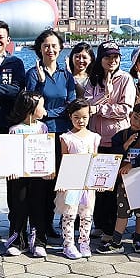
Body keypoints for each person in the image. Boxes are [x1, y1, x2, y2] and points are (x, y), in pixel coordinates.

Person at [25, 28, 76, 237]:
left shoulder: (67, 75)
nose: (50, 50)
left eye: (54, 46)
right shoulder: (33, 74)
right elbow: (31, 104)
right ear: (40, 49)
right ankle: (38, 225)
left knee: (57, 182)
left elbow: (71, 105)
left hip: (62, 134)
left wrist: (48, 112)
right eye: (46, 46)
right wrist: (41, 83)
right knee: (39, 182)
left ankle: (50, 223)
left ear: (61, 49)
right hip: (40, 135)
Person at [85, 40, 135, 241]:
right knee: (98, 184)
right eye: (108, 57)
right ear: (100, 59)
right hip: (96, 140)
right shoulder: (93, 79)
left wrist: (101, 108)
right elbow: (86, 105)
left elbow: (126, 109)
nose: (112, 60)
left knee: (114, 186)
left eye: (116, 57)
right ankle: (98, 224)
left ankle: (111, 228)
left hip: (117, 139)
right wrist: (104, 95)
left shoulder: (126, 79)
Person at [96, 102, 140, 254]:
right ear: (130, 115)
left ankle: (139, 239)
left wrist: (132, 164)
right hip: (124, 182)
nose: (137, 123)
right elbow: (114, 155)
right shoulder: (120, 135)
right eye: (135, 118)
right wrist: (126, 145)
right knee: (122, 210)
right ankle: (116, 242)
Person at [5, 90, 50, 257]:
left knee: (38, 206)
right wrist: (11, 169)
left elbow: (47, 151)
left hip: (38, 175)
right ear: (31, 109)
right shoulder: (15, 130)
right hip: (19, 177)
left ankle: (38, 241)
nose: (44, 110)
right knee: (19, 206)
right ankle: (17, 240)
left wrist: (49, 170)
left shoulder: (43, 128)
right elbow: (10, 153)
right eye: (42, 106)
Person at [56, 99, 100, 259]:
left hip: (87, 183)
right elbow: (64, 161)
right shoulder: (66, 138)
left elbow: (95, 160)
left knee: (87, 213)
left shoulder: (94, 137)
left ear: (89, 116)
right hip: (72, 183)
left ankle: (84, 242)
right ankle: (68, 244)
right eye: (76, 117)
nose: (80, 121)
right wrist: (63, 181)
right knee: (70, 214)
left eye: (84, 117)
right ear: (70, 117)